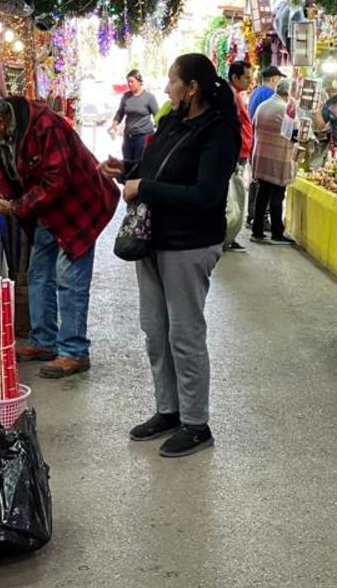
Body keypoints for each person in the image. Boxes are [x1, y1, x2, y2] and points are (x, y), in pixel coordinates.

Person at [101, 53, 240, 458]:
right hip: (152, 240)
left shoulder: (219, 132)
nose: (166, 88)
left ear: (192, 87)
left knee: (185, 334)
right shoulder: (172, 121)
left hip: (190, 244)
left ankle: (197, 423)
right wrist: (126, 170)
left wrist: (143, 188)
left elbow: (205, 196)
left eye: (172, 81)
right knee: (155, 332)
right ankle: (169, 410)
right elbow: (155, 169)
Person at [0, 93, 119, 378]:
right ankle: (44, 341)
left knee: (70, 280)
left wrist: (17, 206)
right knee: (40, 275)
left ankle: (74, 352)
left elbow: (58, 179)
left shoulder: (46, 125)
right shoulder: (0, 136)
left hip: (77, 208)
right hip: (45, 211)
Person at [250, 79, 297, 245]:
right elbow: (294, 133)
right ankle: (277, 232)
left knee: (262, 193)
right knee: (277, 195)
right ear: (288, 93)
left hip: (261, 155)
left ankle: (257, 230)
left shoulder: (263, 105)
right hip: (278, 158)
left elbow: (254, 126)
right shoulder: (286, 109)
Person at [226, 60, 254, 251]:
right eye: (246, 78)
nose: (249, 82)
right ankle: (226, 236)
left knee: (236, 196)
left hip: (240, 151)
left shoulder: (236, 95)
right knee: (233, 198)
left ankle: (228, 236)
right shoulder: (231, 96)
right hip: (236, 153)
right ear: (235, 77)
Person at [109, 69, 158, 165]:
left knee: (138, 165)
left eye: (132, 81)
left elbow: (157, 115)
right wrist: (115, 122)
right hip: (128, 137)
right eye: (128, 82)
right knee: (127, 164)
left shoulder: (149, 97)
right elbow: (120, 112)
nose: (129, 84)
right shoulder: (126, 96)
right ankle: (127, 180)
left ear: (139, 82)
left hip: (143, 137)